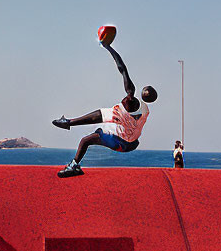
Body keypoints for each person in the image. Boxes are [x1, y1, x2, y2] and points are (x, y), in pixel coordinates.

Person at [52, 43, 158, 178]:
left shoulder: (129, 100)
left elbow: (122, 69)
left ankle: (73, 165)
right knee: (104, 126)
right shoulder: (145, 110)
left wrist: (108, 47)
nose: (124, 99)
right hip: (132, 144)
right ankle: (69, 125)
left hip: (120, 143)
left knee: (86, 140)